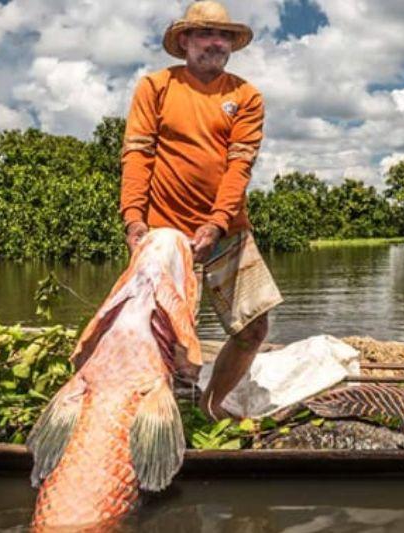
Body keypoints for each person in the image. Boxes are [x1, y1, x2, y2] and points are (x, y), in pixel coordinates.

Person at [119, 1, 283, 419]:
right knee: (168, 337)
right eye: (206, 34)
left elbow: (239, 165)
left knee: (254, 327)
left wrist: (215, 222)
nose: (216, 43)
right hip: (164, 236)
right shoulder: (156, 87)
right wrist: (134, 219)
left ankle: (211, 405)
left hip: (227, 231)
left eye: (223, 36)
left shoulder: (244, 96)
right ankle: (157, 414)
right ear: (185, 40)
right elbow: (138, 154)